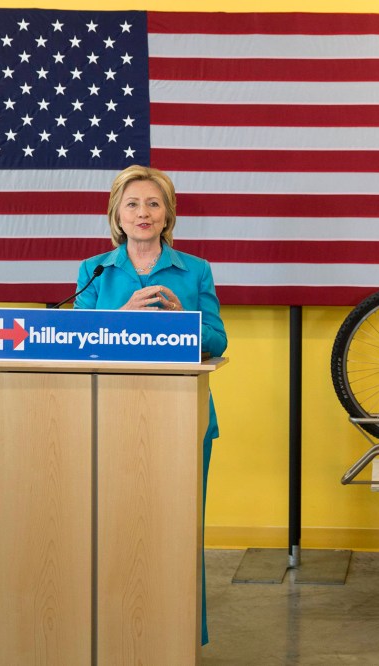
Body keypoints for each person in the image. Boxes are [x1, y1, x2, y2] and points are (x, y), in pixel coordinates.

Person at [73, 164, 227, 645]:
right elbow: (74, 340)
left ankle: (178, 637)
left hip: (182, 419)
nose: (144, 212)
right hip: (103, 416)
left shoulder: (194, 270)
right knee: (107, 532)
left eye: (153, 204)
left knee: (176, 535)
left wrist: (186, 320)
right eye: (134, 203)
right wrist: (120, 316)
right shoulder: (94, 270)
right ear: (117, 214)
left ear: (168, 215)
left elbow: (218, 340)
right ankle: (109, 634)